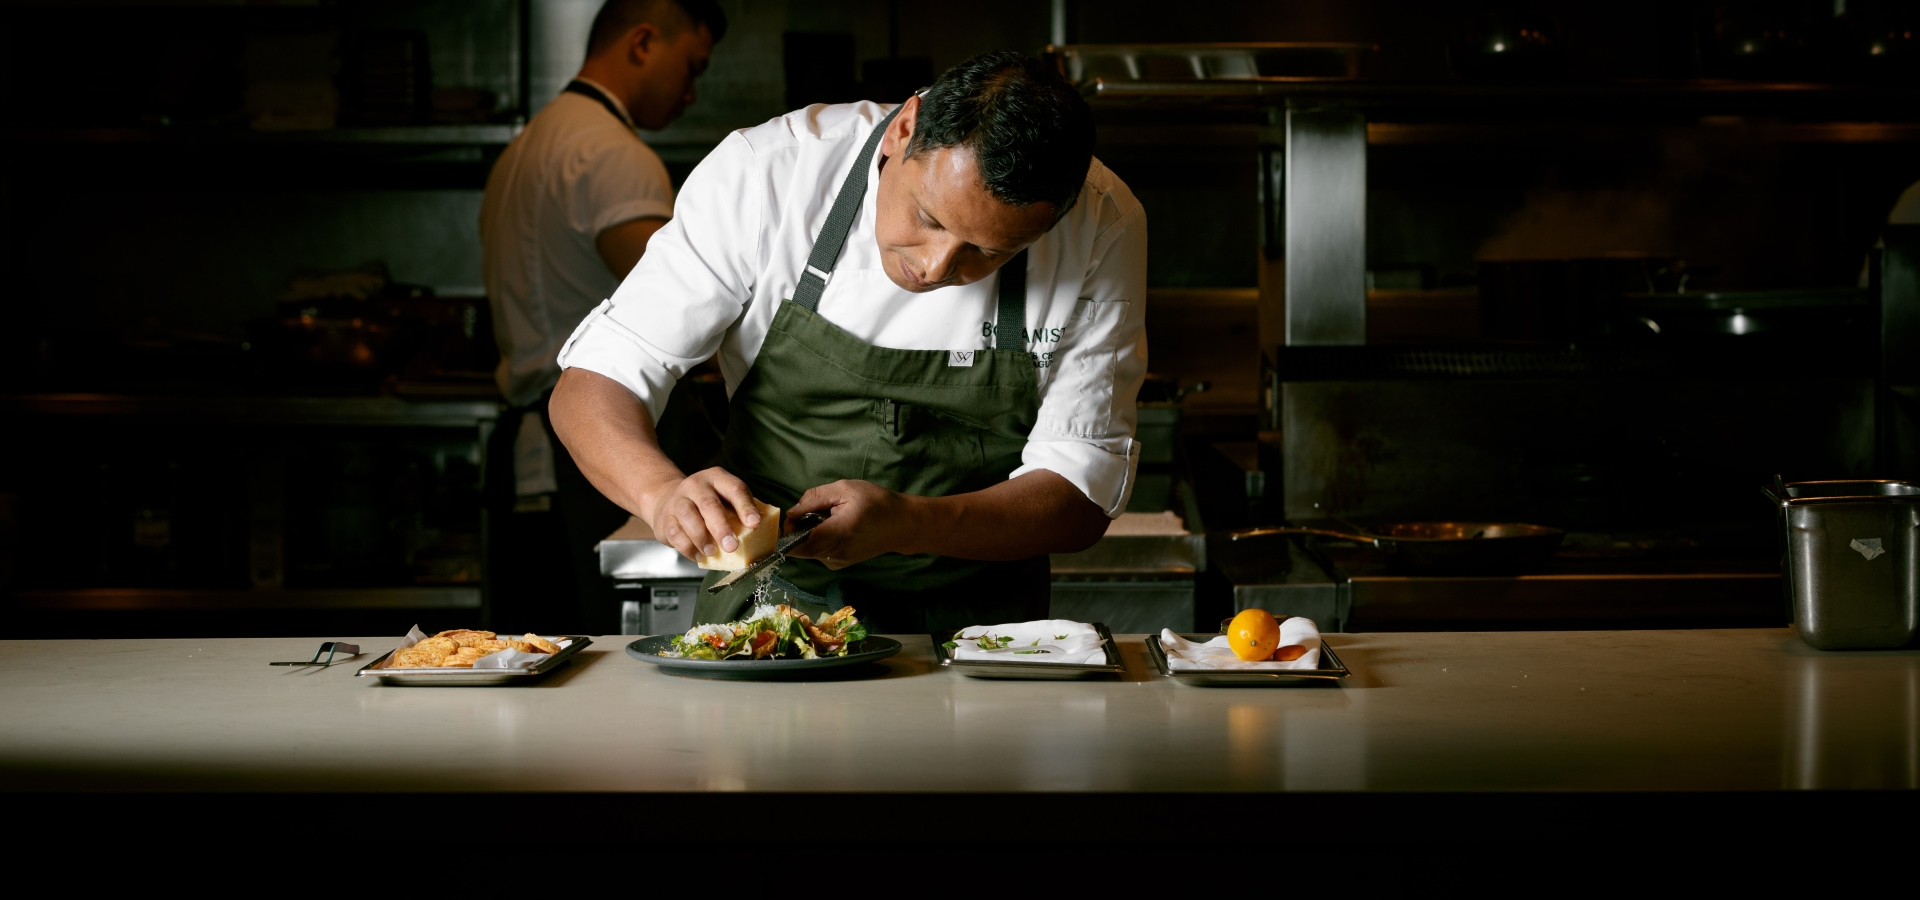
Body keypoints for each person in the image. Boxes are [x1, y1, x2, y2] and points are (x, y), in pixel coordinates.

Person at [549, 51, 1147, 635]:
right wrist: (660, 494)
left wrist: (910, 523)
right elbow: (595, 383)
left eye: (990, 252)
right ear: (903, 129)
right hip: (768, 616)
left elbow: (1080, 493)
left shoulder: (1102, 221)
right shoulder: (771, 175)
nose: (936, 267)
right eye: (930, 218)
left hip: (984, 638)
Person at [479, 0, 725, 633]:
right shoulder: (613, 155)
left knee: (533, 648)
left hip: (527, 445)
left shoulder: (526, 147)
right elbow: (688, 305)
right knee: (604, 650)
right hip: (596, 443)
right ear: (643, 43)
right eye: (691, 68)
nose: (691, 94)